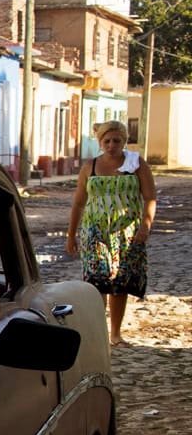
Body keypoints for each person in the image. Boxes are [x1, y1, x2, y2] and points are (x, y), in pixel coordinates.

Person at [65, 119, 157, 346]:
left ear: (124, 141)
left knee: (120, 282)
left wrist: (145, 225)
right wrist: (71, 234)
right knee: (97, 282)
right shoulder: (90, 167)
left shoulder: (137, 165)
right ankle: (98, 333)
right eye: (106, 141)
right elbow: (78, 203)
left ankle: (115, 333)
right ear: (100, 142)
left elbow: (150, 197)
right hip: (95, 233)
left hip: (126, 233)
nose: (111, 145)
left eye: (116, 140)